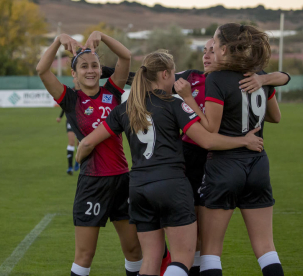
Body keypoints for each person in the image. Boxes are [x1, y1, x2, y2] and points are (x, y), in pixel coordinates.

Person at [102, 41, 290, 276]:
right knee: (195, 237)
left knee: (200, 241)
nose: (207, 55)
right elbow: (146, 76)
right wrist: (104, 71)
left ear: (226, 51)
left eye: (213, 49)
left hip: (217, 159)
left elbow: (282, 79)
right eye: (204, 51)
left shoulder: (221, 80)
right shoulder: (190, 77)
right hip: (196, 159)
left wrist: (265, 78)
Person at [177, 23, 284, 276]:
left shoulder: (217, 78)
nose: (210, 49)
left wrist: (189, 100)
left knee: (211, 250)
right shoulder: (258, 74)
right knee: (267, 249)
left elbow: (212, 129)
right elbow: (275, 117)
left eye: (213, 44)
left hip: (225, 166)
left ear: (224, 49)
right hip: (258, 164)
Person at [36, 31, 142, 276]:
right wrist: (57, 41)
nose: (91, 70)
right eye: (83, 66)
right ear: (74, 74)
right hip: (92, 183)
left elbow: (125, 58)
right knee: (85, 255)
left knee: (134, 250)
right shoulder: (71, 99)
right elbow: (42, 70)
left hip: (122, 180)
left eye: (94, 65)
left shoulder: (113, 91)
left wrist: (101, 36)